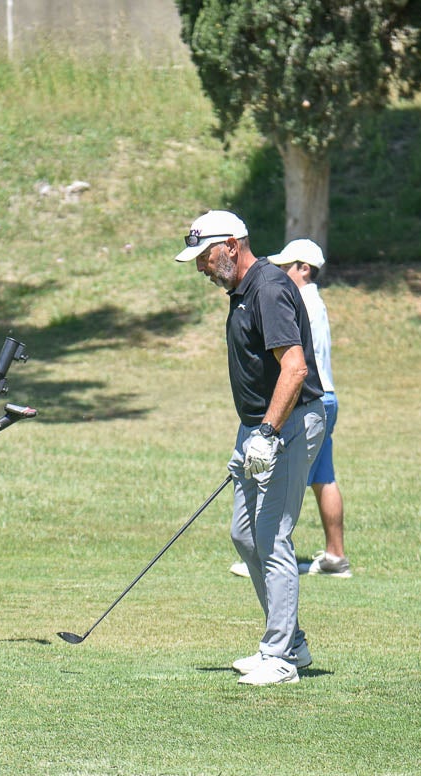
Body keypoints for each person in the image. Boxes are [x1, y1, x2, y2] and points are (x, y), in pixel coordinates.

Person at [176, 210, 326, 686]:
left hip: (289, 423)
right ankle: (293, 643)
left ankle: (279, 656)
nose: (201, 267)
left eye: (205, 256)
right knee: (245, 535)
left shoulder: (268, 289)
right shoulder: (242, 293)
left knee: (272, 535)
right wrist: (253, 435)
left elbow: (296, 369)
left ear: (232, 245)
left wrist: (267, 433)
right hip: (259, 428)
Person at [230, 239, 351, 578]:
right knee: (323, 477)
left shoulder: (298, 301)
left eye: (288, 266)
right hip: (325, 396)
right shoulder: (316, 302)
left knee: (281, 484)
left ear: (305, 268)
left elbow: (292, 363)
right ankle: (335, 556)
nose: (282, 273)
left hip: (307, 399)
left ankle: (269, 553)